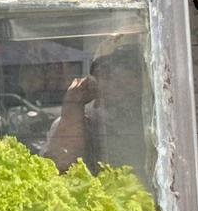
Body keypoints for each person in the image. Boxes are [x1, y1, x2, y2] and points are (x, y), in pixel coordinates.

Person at [45, 43, 152, 180]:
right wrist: (73, 106)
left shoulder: (150, 117)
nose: (109, 83)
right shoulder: (83, 120)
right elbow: (60, 168)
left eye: (134, 73)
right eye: (104, 75)